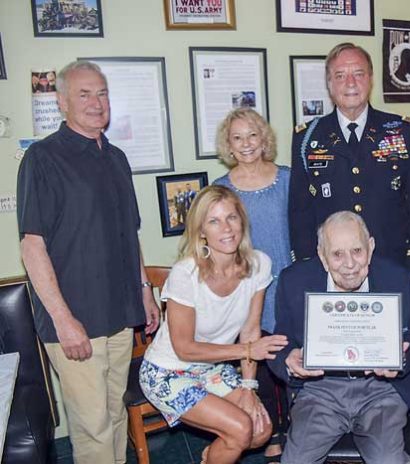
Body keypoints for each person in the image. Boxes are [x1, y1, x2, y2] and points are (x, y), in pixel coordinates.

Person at [16, 60, 160, 464]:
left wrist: (144, 291)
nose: (97, 103)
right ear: (62, 102)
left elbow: (129, 235)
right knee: (93, 426)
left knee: (113, 418)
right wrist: (63, 320)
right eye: (84, 94)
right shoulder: (43, 159)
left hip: (119, 316)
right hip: (74, 324)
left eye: (102, 93)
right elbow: (32, 246)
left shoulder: (116, 158)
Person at [139, 185, 289, 464]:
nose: (227, 228)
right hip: (167, 371)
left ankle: (213, 458)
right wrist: (246, 351)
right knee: (241, 429)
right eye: (214, 221)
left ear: (242, 221)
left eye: (232, 217)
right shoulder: (186, 274)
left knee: (261, 431)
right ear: (201, 231)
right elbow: (185, 349)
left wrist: (248, 386)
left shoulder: (259, 264)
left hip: (212, 368)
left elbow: (250, 331)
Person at [269, 211, 410, 464]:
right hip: (319, 391)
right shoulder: (294, 281)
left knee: (389, 460)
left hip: (381, 391)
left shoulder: (396, 277)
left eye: (357, 251)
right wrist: (288, 359)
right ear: (322, 255)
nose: (350, 264)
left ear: (371, 247)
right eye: (337, 254)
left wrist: (403, 355)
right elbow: (280, 340)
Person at [289, 42, 410, 291]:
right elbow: (301, 211)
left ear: (371, 79)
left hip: (393, 265)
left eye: (358, 74)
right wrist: (308, 267)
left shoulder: (400, 131)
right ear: (329, 84)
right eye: (340, 76)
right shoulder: (308, 138)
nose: (350, 83)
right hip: (333, 271)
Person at [213, 108, 292, 463]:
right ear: (228, 145)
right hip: (245, 290)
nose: (246, 144)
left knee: (294, 360)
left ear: (264, 138)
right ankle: (271, 439)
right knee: (258, 365)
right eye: (237, 138)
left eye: (252, 135)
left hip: (288, 285)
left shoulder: (289, 179)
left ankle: (303, 431)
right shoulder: (220, 190)